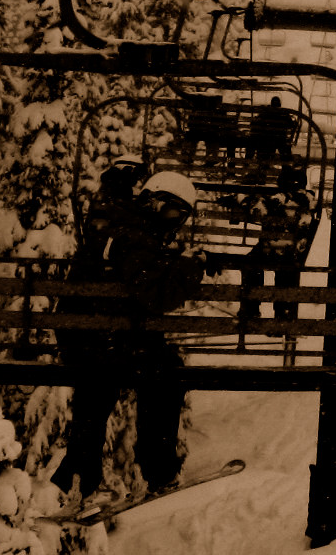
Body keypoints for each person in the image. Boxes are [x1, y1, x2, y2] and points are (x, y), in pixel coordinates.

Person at [53, 170, 204, 503]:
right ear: (157, 203)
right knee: (163, 377)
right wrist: (188, 269)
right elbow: (153, 293)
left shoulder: (122, 228)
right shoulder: (133, 236)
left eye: (180, 216)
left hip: (90, 339)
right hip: (105, 342)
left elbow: (136, 282)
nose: (175, 222)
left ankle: (80, 482)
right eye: (174, 213)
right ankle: (157, 472)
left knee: (101, 392)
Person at [238, 165, 314, 351]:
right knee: (253, 266)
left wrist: (277, 199)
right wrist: (247, 200)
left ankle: (278, 313)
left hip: (287, 249)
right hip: (271, 247)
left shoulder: (304, 199)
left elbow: (306, 204)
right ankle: (256, 309)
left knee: (283, 273)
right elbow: (260, 209)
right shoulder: (277, 200)